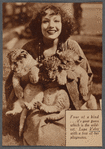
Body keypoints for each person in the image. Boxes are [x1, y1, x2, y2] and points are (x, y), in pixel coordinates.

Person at [5, 4, 95, 146]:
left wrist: (69, 76)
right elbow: (14, 80)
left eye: (56, 21)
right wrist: (30, 76)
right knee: (43, 136)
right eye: (45, 21)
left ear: (63, 24)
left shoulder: (72, 46)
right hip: (37, 103)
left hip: (67, 104)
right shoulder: (29, 48)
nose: (51, 25)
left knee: (77, 136)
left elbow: (86, 77)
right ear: (38, 25)